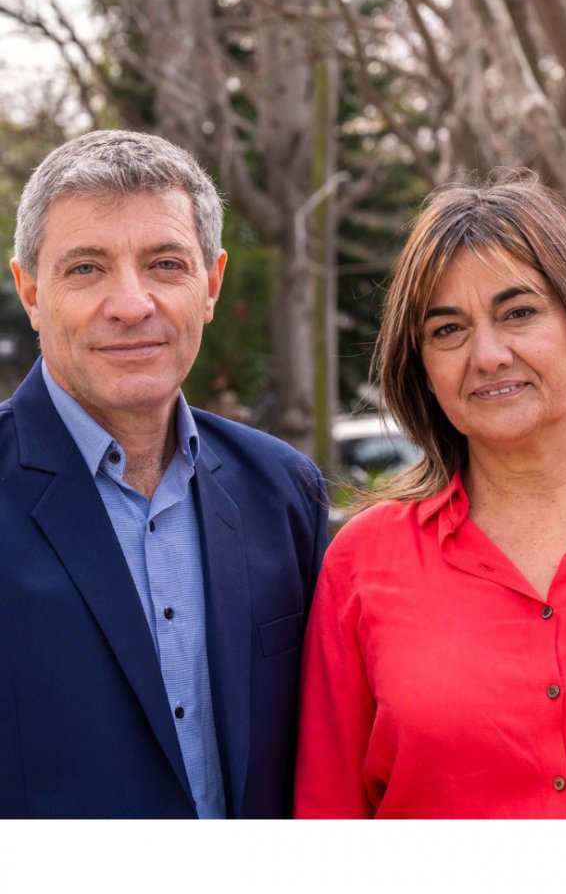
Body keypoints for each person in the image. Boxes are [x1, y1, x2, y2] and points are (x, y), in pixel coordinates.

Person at [294, 174, 566, 818]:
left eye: (519, 313)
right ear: (422, 369)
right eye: (448, 330)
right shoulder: (363, 564)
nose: (488, 355)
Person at [0, 130, 329, 818]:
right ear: (30, 291)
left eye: (165, 264)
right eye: (86, 268)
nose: (131, 303)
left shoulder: (282, 491)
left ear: (210, 285)